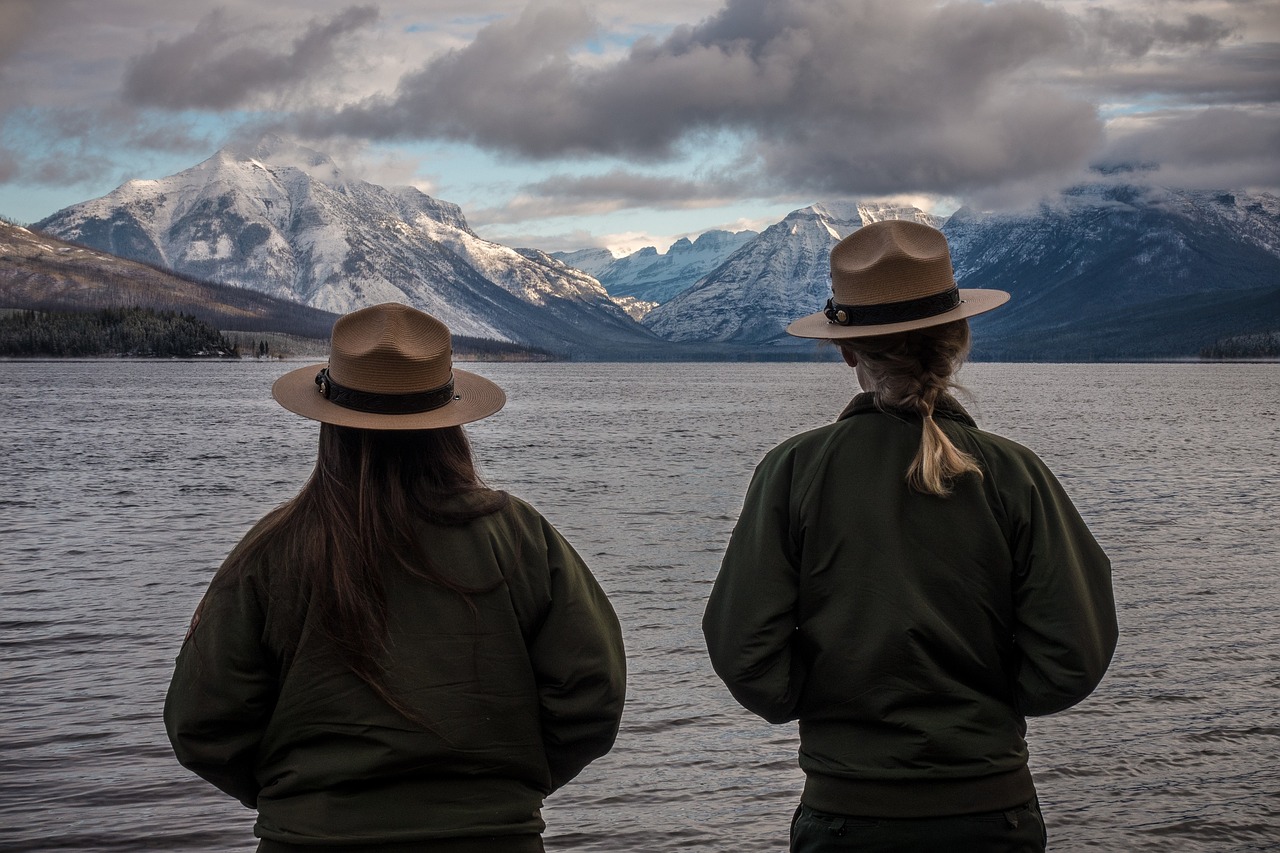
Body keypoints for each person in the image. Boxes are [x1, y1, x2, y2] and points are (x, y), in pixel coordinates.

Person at [702, 220, 1117, 852]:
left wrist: (827, 704)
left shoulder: (794, 470)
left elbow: (743, 651)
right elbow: (1073, 656)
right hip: (991, 811)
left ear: (847, 351)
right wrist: (991, 701)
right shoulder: (1015, 473)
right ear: (959, 339)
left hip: (846, 812)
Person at [165, 303, 626, 853]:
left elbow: (202, 722)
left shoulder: (272, 548)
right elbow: (593, 692)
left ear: (329, 423)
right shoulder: (520, 535)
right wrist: (502, 792)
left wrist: (301, 802)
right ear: (449, 422)